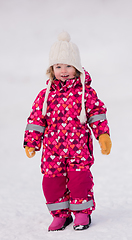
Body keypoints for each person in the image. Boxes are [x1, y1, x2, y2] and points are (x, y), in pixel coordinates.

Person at [23, 31, 112, 231]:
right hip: (52, 151)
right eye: (58, 66)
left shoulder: (85, 93)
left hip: (78, 148)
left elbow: (96, 113)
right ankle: (60, 215)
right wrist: (31, 141)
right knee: (52, 182)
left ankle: (81, 213)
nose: (63, 70)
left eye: (69, 66)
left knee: (80, 181)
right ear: (51, 69)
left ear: (77, 68)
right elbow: (37, 120)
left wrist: (103, 135)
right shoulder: (44, 95)